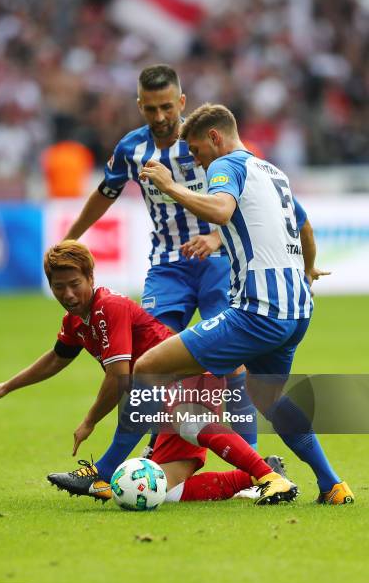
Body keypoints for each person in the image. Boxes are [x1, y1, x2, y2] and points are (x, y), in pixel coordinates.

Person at [76, 103, 353, 505]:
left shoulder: (227, 166)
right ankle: (332, 485)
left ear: (215, 138)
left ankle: (101, 474)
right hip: (296, 311)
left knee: (149, 366)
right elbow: (305, 225)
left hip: (258, 311)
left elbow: (221, 210)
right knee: (269, 398)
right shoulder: (272, 171)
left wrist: (171, 187)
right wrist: (307, 270)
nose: (195, 160)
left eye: (196, 150)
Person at [0, 240, 294, 505]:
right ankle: (255, 473)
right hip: (162, 391)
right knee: (164, 493)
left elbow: (118, 376)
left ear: (90, 278)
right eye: (59, 288)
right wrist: (7, 386)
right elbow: (56, 359)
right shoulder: (75, 321)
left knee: (181, 415)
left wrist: (90, 420)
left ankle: (268, 477)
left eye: (74, 285)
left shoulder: (107, 308)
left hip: (193, 376)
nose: (68, 295)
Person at [64, 64, 258, 450]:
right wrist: (69, 238)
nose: (160, 117)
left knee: (232, 360)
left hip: (220, 264)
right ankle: (147, 454)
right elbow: (107, 192)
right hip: (167, 266)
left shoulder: (208, 140)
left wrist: (218, 238)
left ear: (182, 102)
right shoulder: (130, 149)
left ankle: (258, 465)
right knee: (150, 361)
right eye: (151, 108)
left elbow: (250, 197)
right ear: (140, 105)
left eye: (167, 107)